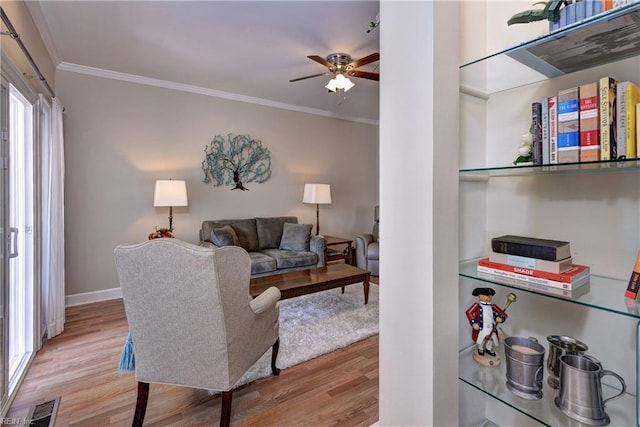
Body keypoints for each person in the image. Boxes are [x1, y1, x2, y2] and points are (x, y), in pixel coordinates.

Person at [465, 287, 507, 357]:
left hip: (491, 327)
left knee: (491, 339)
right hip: (482, 327)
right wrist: (474, 323)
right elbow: (469, 312)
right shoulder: (477, 306)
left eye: (489, 296)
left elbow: (503, 314)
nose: (487, 298)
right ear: (479, 296)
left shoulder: (493, 307)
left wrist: (500, 319)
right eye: (484, 296)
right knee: (482, 339)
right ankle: (481, 348)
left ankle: (489, 348)